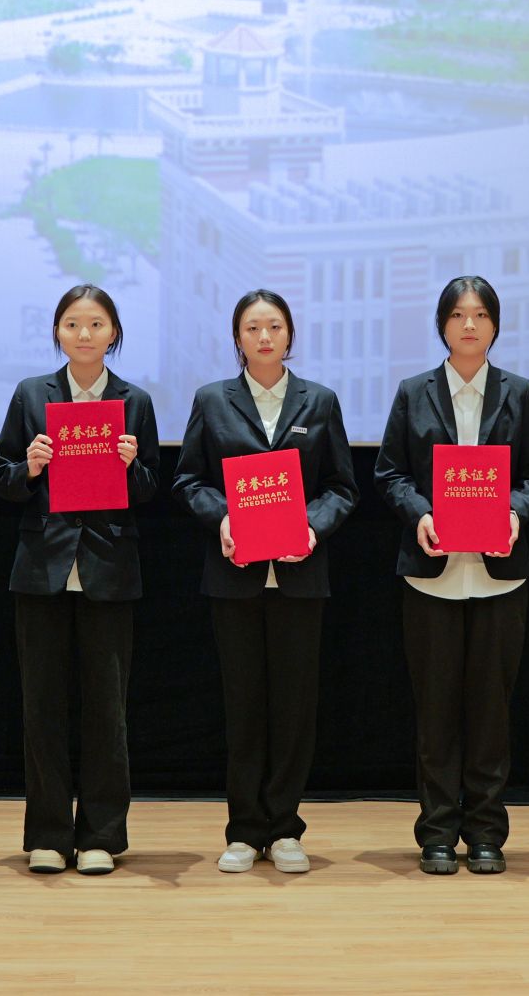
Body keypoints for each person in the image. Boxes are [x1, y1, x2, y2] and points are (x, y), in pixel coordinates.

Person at [373, 276, 529, 876]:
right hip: (432, 576)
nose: (469, 325)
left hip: (500, 577)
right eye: (457, 315)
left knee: (490, 712)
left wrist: (515, 513)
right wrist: (420, 514)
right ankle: (436, 833)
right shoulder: (414, 391)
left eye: (480, 315)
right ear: (442, 325)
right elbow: (390, 472)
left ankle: (486, 832)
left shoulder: (518, 392)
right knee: (436, 711)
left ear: (495, 325)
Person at [173, 290, 357, 876]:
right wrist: (223, 518)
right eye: (253, 328)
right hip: (236, 576)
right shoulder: (213, 399)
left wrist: (313, 527)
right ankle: (244, 830)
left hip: (300, 576)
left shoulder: (318, 400)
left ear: (289, 335)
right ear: (238, 338)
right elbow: (189, 480)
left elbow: (342, 487)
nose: (264, 337)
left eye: (274, 326)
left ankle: (284, 829)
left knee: (294, 707)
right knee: (243, 704)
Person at [0, 285, 159, 876]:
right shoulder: (31, 394)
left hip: (109, 568)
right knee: (42, 707)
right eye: (71, 324)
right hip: (43, 568)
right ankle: (49, 833)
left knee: (107, 709)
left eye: (96, 324)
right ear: (57, 332)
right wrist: (30, 466)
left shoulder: (135, 401)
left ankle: (101, 836)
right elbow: (1, 478)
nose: (84, 335)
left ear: (114, 333)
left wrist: (131, 466)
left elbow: (151, 489)